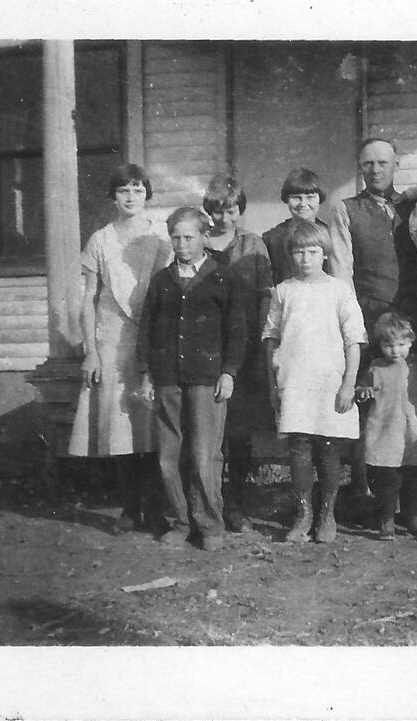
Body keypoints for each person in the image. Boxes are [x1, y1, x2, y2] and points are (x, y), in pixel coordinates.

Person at [69, 164, 171, 536]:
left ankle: (156, 508)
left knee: (152, 424)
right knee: (122, 423)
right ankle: (130, 507)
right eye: (124, 191)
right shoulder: (100, 239)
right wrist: (91, 351)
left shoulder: (161, 238)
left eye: (138, 190)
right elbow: (88, 299)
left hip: (153, 335)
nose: (131, 197)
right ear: (113, 197)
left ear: (148, 195)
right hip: (113, 338)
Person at [137, 207, 246, 551]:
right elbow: (146, 331)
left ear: (204, 237)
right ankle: (182, 522)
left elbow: (237, 330)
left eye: (189, 237)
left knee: (204, 454)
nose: (182, 245)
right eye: (176, 238)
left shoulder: (222, 277)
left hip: (207, 378)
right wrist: (146, 375)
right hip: (167, 377)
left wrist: (229, 372)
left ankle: (210, 525)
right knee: (170, 455)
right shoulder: (161, 281)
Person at [323, 138, 417, 503]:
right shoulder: (347, 209)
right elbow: (342, 271)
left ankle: (414, 496)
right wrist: (353, 324)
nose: (375, 170)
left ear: (396, 164)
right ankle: (368, 491)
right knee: (372, 402)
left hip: (414, 319)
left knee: (413, 399)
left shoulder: (416, 206)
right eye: (368, 164)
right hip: (369, 316)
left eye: (382, 162)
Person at [263, 222, 365, 544]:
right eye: (298, 252)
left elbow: (354, 340)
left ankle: (327, 514)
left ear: (324, 254)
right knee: (300, 449)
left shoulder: (339, 290)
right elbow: (271, 337)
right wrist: (273, 383)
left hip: (329, 381)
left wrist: (349, 382)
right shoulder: (284, 290)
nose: (305, 258)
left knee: (329, 449)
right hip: (294, 381)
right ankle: (303, 513)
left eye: (312, 251)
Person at [203, 175, 274, 533]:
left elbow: (265, 294)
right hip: (206, 347)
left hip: (244, 347)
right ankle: (207, 502)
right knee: (208, 426)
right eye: (217, 211)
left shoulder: (253, 244)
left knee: (240, 430)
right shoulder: (200, 245)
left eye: (230, 210)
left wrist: (263, 342)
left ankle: (237, 502)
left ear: (240, 210)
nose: (224, 218)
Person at [357, 312, 417, 540]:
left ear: (411, 342)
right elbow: (362, 390)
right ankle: (387, 519)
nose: (395, 350)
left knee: (413, 475)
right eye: (388, 345)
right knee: (388, 479)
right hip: (385, 429)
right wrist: (364, 392)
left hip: (412, 429)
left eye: (401, 344)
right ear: (380, 345)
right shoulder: (375, 367)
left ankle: (413, 518)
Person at [261, 168, 328, 285]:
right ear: (287, 199)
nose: (303, 204)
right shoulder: (272, 239)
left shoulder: (330, 234)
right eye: (296, 197)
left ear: (319, 199)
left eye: (310, 197)